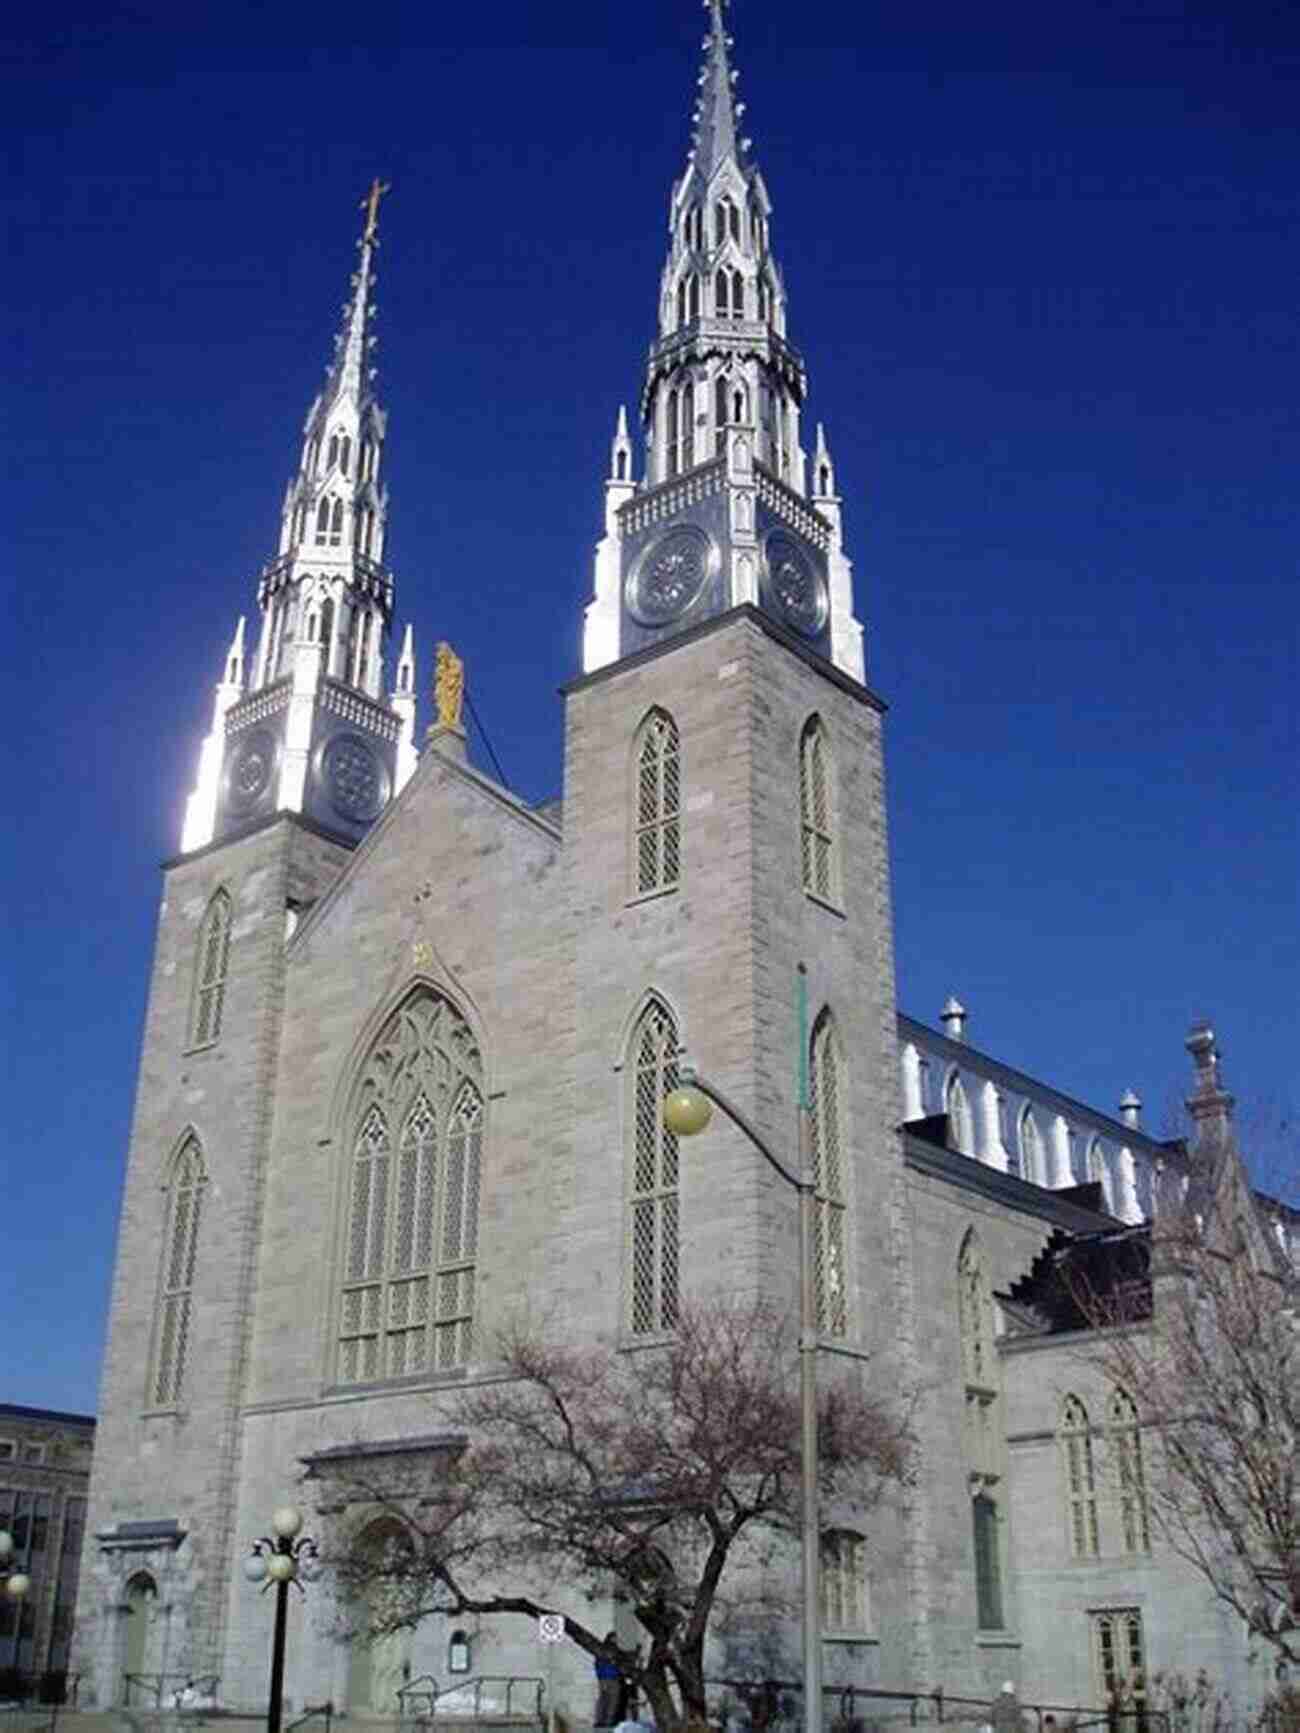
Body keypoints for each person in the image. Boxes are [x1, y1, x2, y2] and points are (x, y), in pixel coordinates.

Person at [594, 1633, 626, 1728]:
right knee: (612, 1701)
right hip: (611, 1678)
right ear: (612, 1638)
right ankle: (608, 1721)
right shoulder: (614, 1650)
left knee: (604, 1700)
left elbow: (597, 1664)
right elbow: (618, 1663)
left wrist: (600, 1677)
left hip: (604, 1678)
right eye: (615, 1638)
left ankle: (601, 1721)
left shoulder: (601, 1649)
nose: (617, 1640)